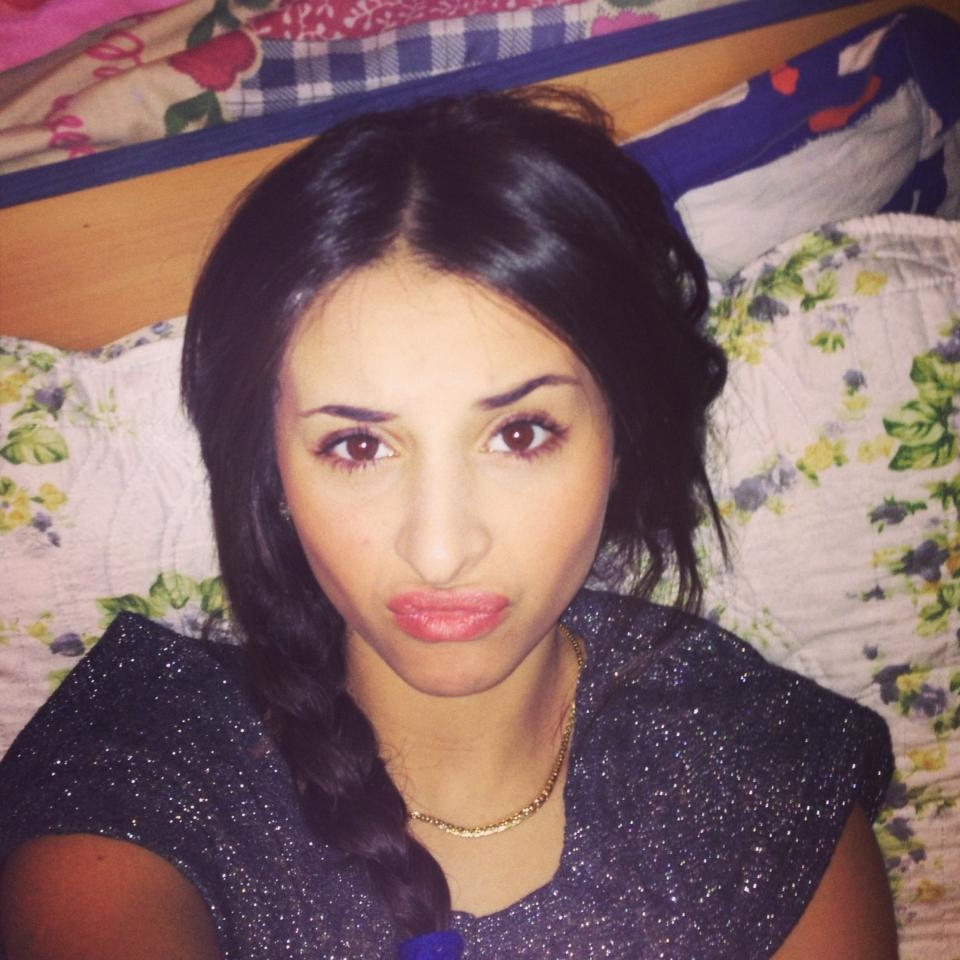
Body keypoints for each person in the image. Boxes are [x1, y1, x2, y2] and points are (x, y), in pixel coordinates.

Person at [0, 89, 896, 960]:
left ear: (624, 437)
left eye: (520, 434)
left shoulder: (756, 773)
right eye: (357, 446)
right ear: (269, 469)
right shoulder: (151, 761)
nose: (439, 550)